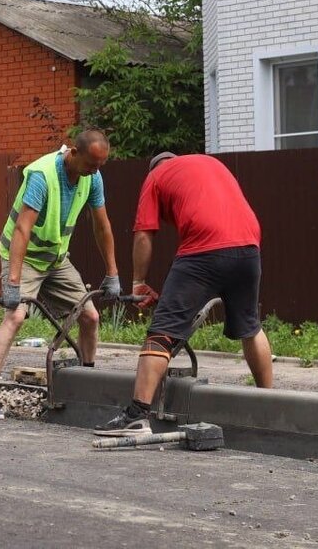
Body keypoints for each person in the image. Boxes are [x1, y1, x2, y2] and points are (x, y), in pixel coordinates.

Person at [94, 152, 273, 436]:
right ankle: (270, 404)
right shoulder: (210, 164)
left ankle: (136, 416)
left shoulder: (156, 177)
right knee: (250, 327)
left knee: (162, 332)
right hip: (249, 246)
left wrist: (139, 282)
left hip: (204, 249)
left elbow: (144, 233)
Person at [0, 129, 123, 420]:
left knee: (90, 316)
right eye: (92, 164)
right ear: (74, 153)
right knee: (15, 316)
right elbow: (22, 229)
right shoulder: (42, 175)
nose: (95, 171)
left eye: (100, 166)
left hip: (56, 260)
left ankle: (86, 387)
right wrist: (14, 282)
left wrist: (113, 273)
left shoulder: (92, 178)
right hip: (24, 256)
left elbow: (102, 226)